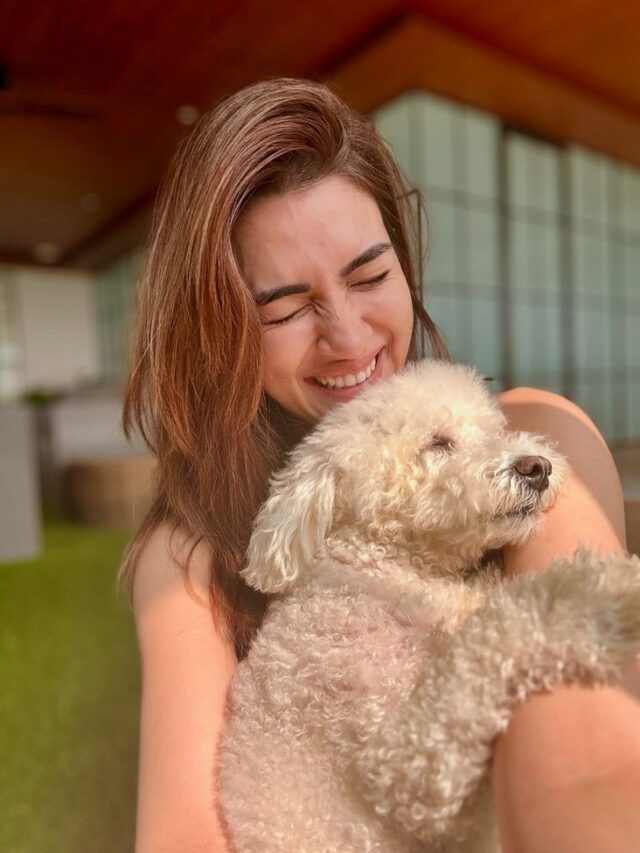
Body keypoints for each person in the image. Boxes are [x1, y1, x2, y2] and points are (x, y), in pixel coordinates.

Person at [118, 78, 640, 852]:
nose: (348, 336)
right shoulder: (190, 548)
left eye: (369, 276)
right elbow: (183, 835)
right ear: (219, 332)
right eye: (287, 309)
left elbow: (585, 754)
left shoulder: (527, 429)